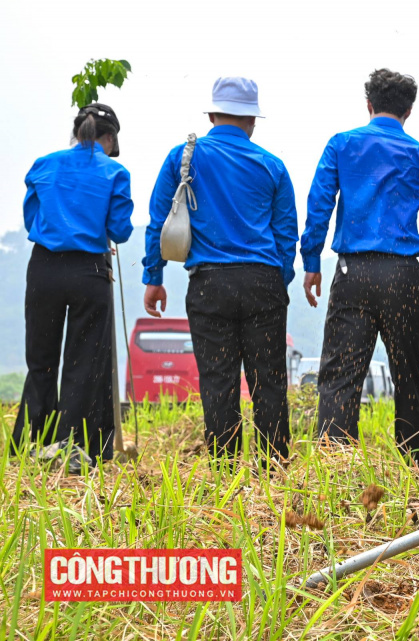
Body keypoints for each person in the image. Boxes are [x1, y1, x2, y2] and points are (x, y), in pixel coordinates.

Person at [142, 77, 298, 466]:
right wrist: (279, 282)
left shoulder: (185, 157)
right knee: (269, 382)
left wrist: (154, 276)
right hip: (262, 280)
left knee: (218, 381)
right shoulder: (271, 165)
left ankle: (225, 471)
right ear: (253, 121)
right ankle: (273, 470)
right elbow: (286, 234)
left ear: (212, 114)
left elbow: (160, 220)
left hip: (209, 282)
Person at [300, 68, 419, 456]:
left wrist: (311, 260)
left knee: (341, 376)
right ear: (409, 111)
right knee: (409, 377)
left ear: (368, 104)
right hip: (404, 273)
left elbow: (319, 205)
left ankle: (334, 464)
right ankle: (416, 464)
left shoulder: (342, 145)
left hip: (354, 271)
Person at [10, 104, 133, 473]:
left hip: (44, 267)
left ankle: (35, 444)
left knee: (41, 360)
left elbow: (32, 216)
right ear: (109, 138)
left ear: (78, 132)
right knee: (84, 363)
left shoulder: (44, 164)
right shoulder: (115, 171)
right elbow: (121, 230)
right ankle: (75, 451)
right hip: (89, 271)